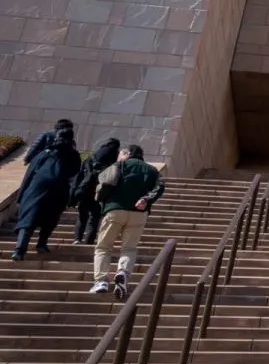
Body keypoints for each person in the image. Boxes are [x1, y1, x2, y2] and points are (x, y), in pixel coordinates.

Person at [91, 143, 164, 296]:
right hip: (139, 213)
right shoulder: (152, 170)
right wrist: (146, 199)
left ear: (128, 153)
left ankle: (101, 280)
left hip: (115, 209)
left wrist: (102, 200)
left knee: (104, 247)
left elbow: (105, 182)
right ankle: (123, 272)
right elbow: (160, 187)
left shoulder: (120, 165)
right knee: (129, 248)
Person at [11, 122, 81, 261]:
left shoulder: (45, 153)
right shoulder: (74, 156)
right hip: (59, 191)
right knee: (50, 219)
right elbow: (75, 175)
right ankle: (41, 244)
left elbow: (29, 175)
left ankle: (19, 250)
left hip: (36, 190)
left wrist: (21, 195)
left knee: (28, 219)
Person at [70, 137, 121, 245]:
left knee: (82, 216)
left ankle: (77, 239)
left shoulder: (92, 157)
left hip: (85, 188)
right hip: (98, 190)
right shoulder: (112, 159)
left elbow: (80, 175)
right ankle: (89, 240)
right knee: (94, 216)